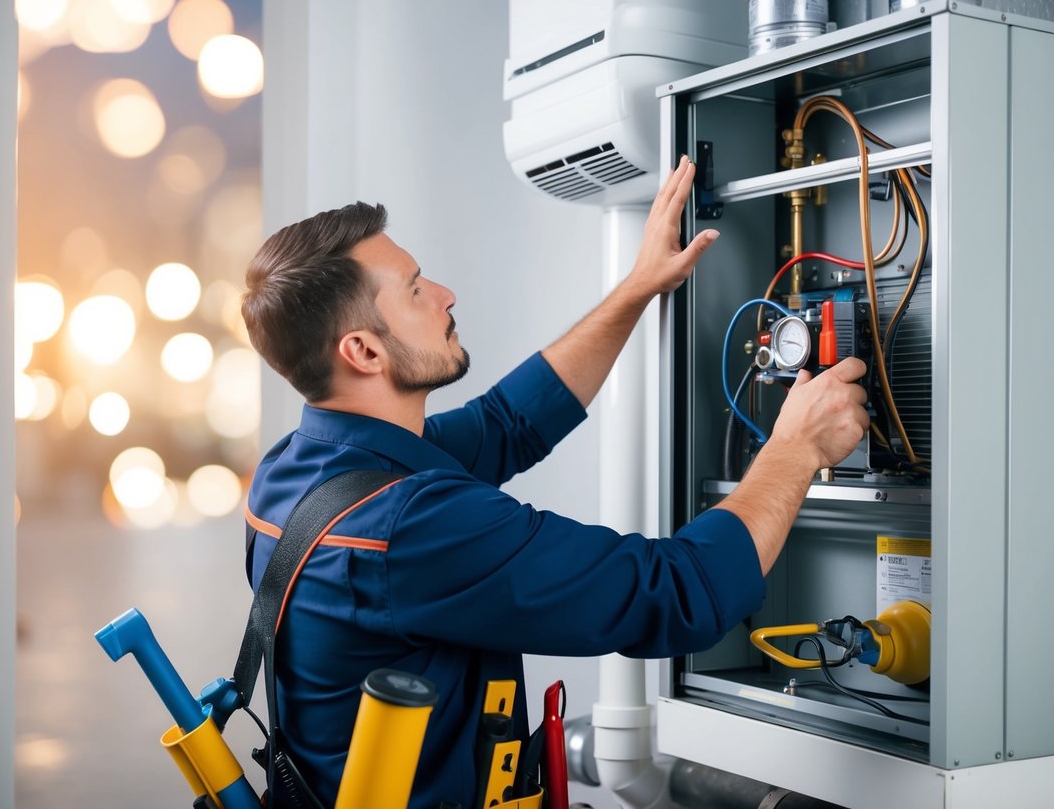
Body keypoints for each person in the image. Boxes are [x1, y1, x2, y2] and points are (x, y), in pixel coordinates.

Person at [238, 157, 869, 807]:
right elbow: (675, 593)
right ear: (363, 352)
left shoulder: (301, 469)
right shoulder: (405, 528)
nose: (446, 293)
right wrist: (795, 449)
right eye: (416, 288)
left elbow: (507, 423)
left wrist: (636, 288)